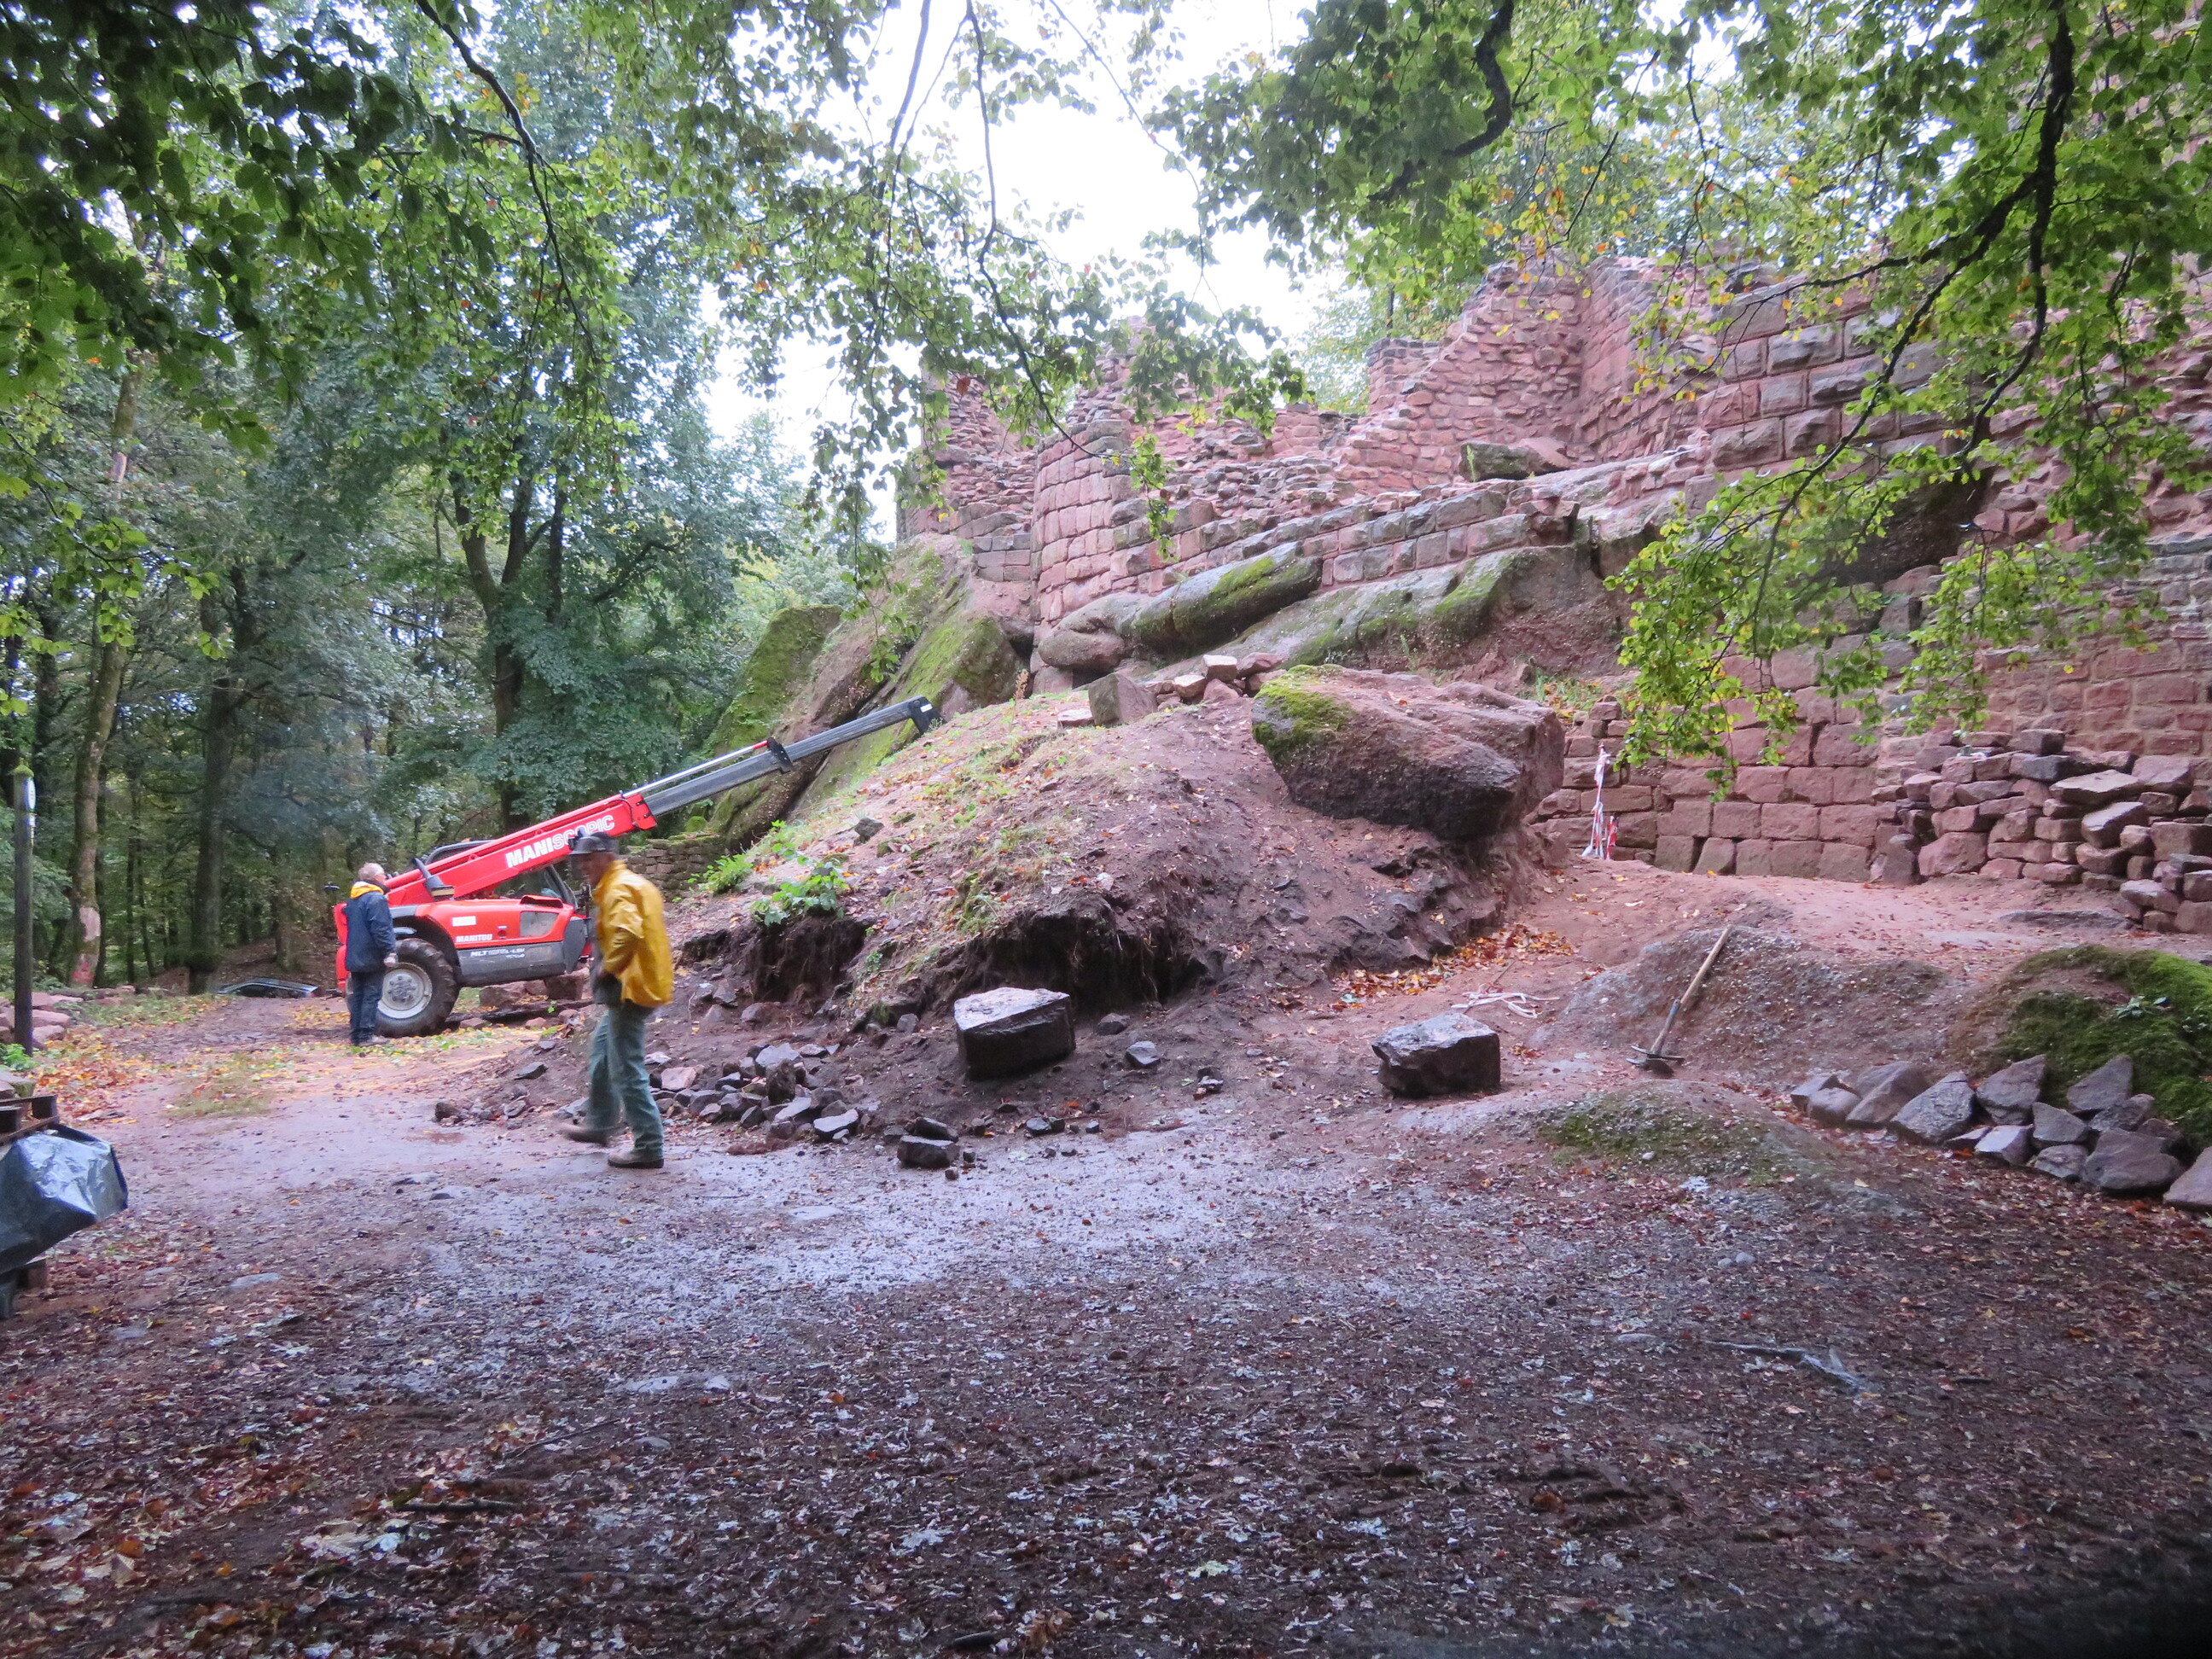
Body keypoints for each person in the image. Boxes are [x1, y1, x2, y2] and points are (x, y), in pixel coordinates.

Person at [562, 829, 673, 1169]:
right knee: (601, 1053)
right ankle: (599, 1124)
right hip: (639, 983)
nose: (584, 866)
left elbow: (628, 932)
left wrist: (607, 968)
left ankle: (649, 1146)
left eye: (589, 859)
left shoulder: (619, 888)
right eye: (580, 860)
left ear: (608, 857)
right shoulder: (630, 883)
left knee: (626, 1068)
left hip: (630, 989)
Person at [342, 863, 399, 1046]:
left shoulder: (354, 900)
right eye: (383, 874)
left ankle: (356, 1036)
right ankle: (366, 1036)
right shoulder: (376, 899)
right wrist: (389, 951)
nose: (386, 877)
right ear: (376, 878)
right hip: (371, 955)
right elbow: (381, 929)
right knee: (371, 996)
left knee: (358, 995)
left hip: (354, 955)